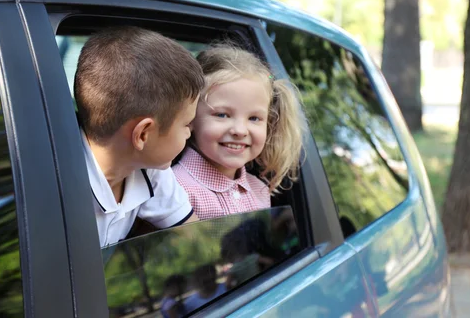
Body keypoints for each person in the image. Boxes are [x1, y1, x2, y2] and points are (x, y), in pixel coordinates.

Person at [74, 26, 204, 247]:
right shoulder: (59, 189)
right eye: (186, 124)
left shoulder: (150, 169)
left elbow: (198, 242)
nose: (190, 132)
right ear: (143, 134)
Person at [173, 44, 304, 220]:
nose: (240, 130)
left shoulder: (260, 190)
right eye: (222, 115)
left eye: (254, 118)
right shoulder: (174, 189)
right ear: (190, 116)